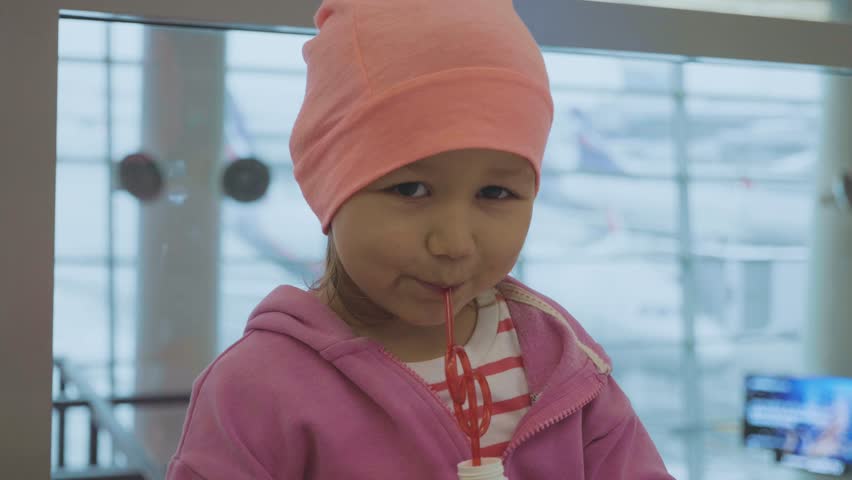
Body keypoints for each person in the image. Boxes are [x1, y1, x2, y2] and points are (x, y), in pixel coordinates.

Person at [166, 0, 674, 478]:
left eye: (495, 192)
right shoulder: (254, 391)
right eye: (410, 189)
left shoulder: (564, 359)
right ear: (330, 188)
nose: (454, 242)